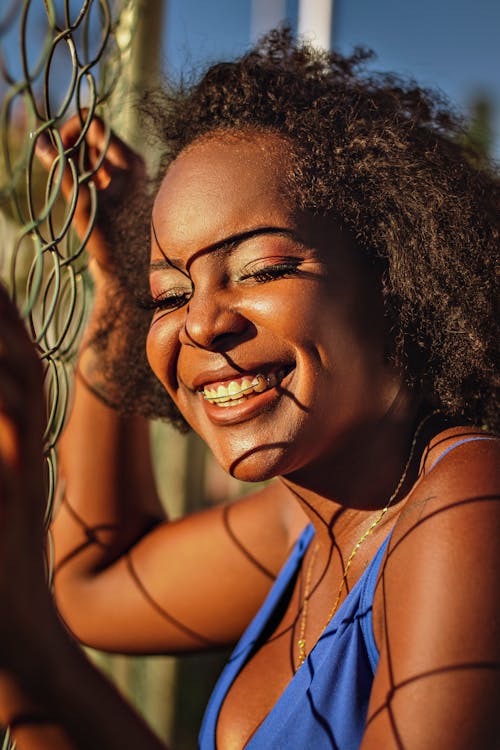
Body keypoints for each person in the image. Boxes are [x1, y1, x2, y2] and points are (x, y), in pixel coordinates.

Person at [0, 28, 499, 750]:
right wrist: (115, 291)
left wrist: (32, 656)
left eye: (262, 269)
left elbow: (55, 629)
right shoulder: (308, 521)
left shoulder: (467, 501)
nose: (200, 322)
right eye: (169, 295)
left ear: (395, 275)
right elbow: (93, 589)